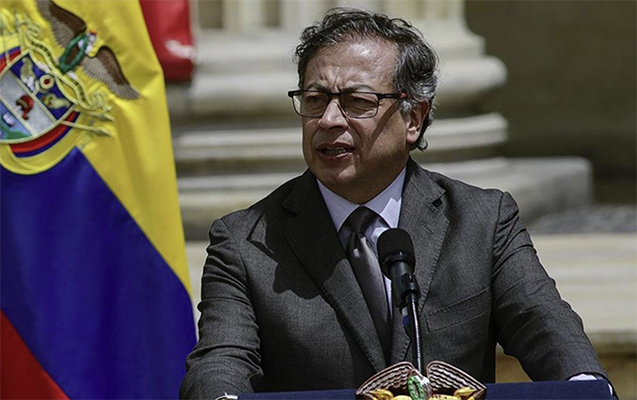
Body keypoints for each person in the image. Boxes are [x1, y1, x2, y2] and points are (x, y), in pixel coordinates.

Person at [180, 8, 611, 399]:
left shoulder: (483, 220)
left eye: (357, 102)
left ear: (414, 118)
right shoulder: (246, 242)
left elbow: (544, 325)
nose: (329, 120)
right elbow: (220, 362)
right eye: (315, 100)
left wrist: (586, 389)